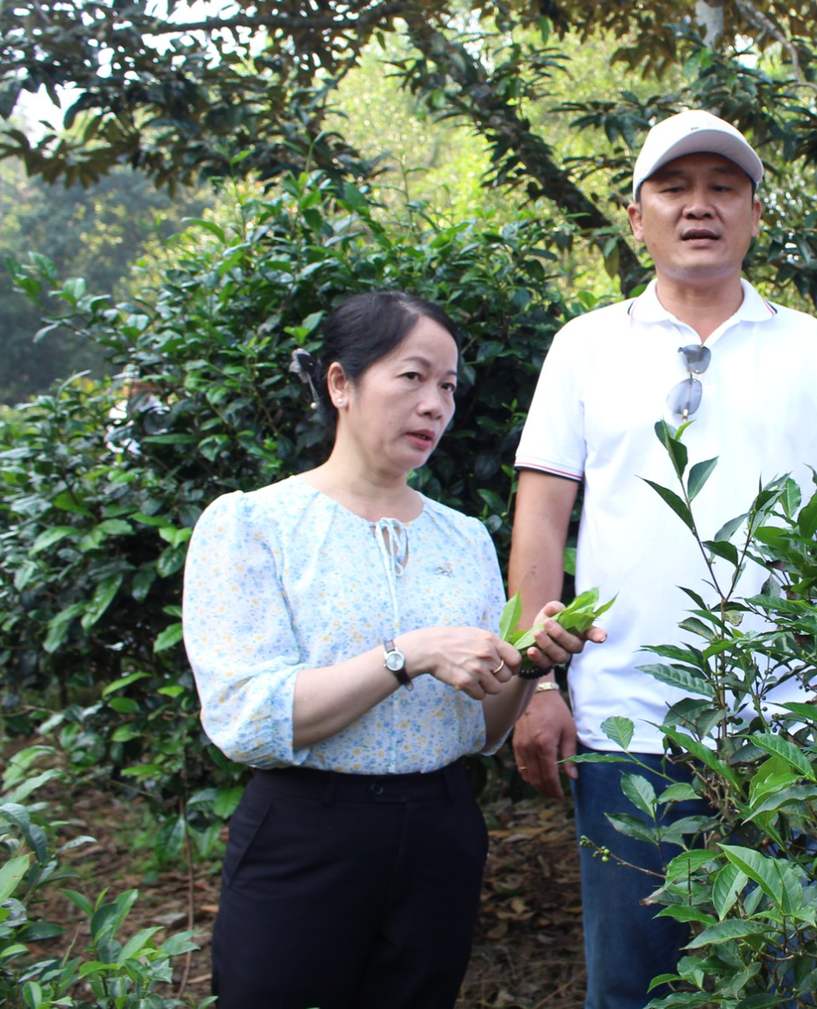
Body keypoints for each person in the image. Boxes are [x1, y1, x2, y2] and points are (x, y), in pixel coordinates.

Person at [508, 109, 817, 1009]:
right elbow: (541, 521)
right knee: (638, 980)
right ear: (635, 213)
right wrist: (536, 685)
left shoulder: (815, 349)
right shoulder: (585, 346)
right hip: (629, 725)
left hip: (796, 730)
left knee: (806, 976)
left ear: (756, 213)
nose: (699, 207)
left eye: (723, 188)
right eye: (674, 188)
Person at [183, 291, 601, 1009]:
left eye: (447, 385)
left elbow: (481, 728)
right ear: (340, 384)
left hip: (440, 831)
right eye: (412, 377)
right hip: (306, 836)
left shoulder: (462, 536)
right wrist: (404, 654)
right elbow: (248, 718)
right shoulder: (255, 524)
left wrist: (532, 663)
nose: (436, 404)